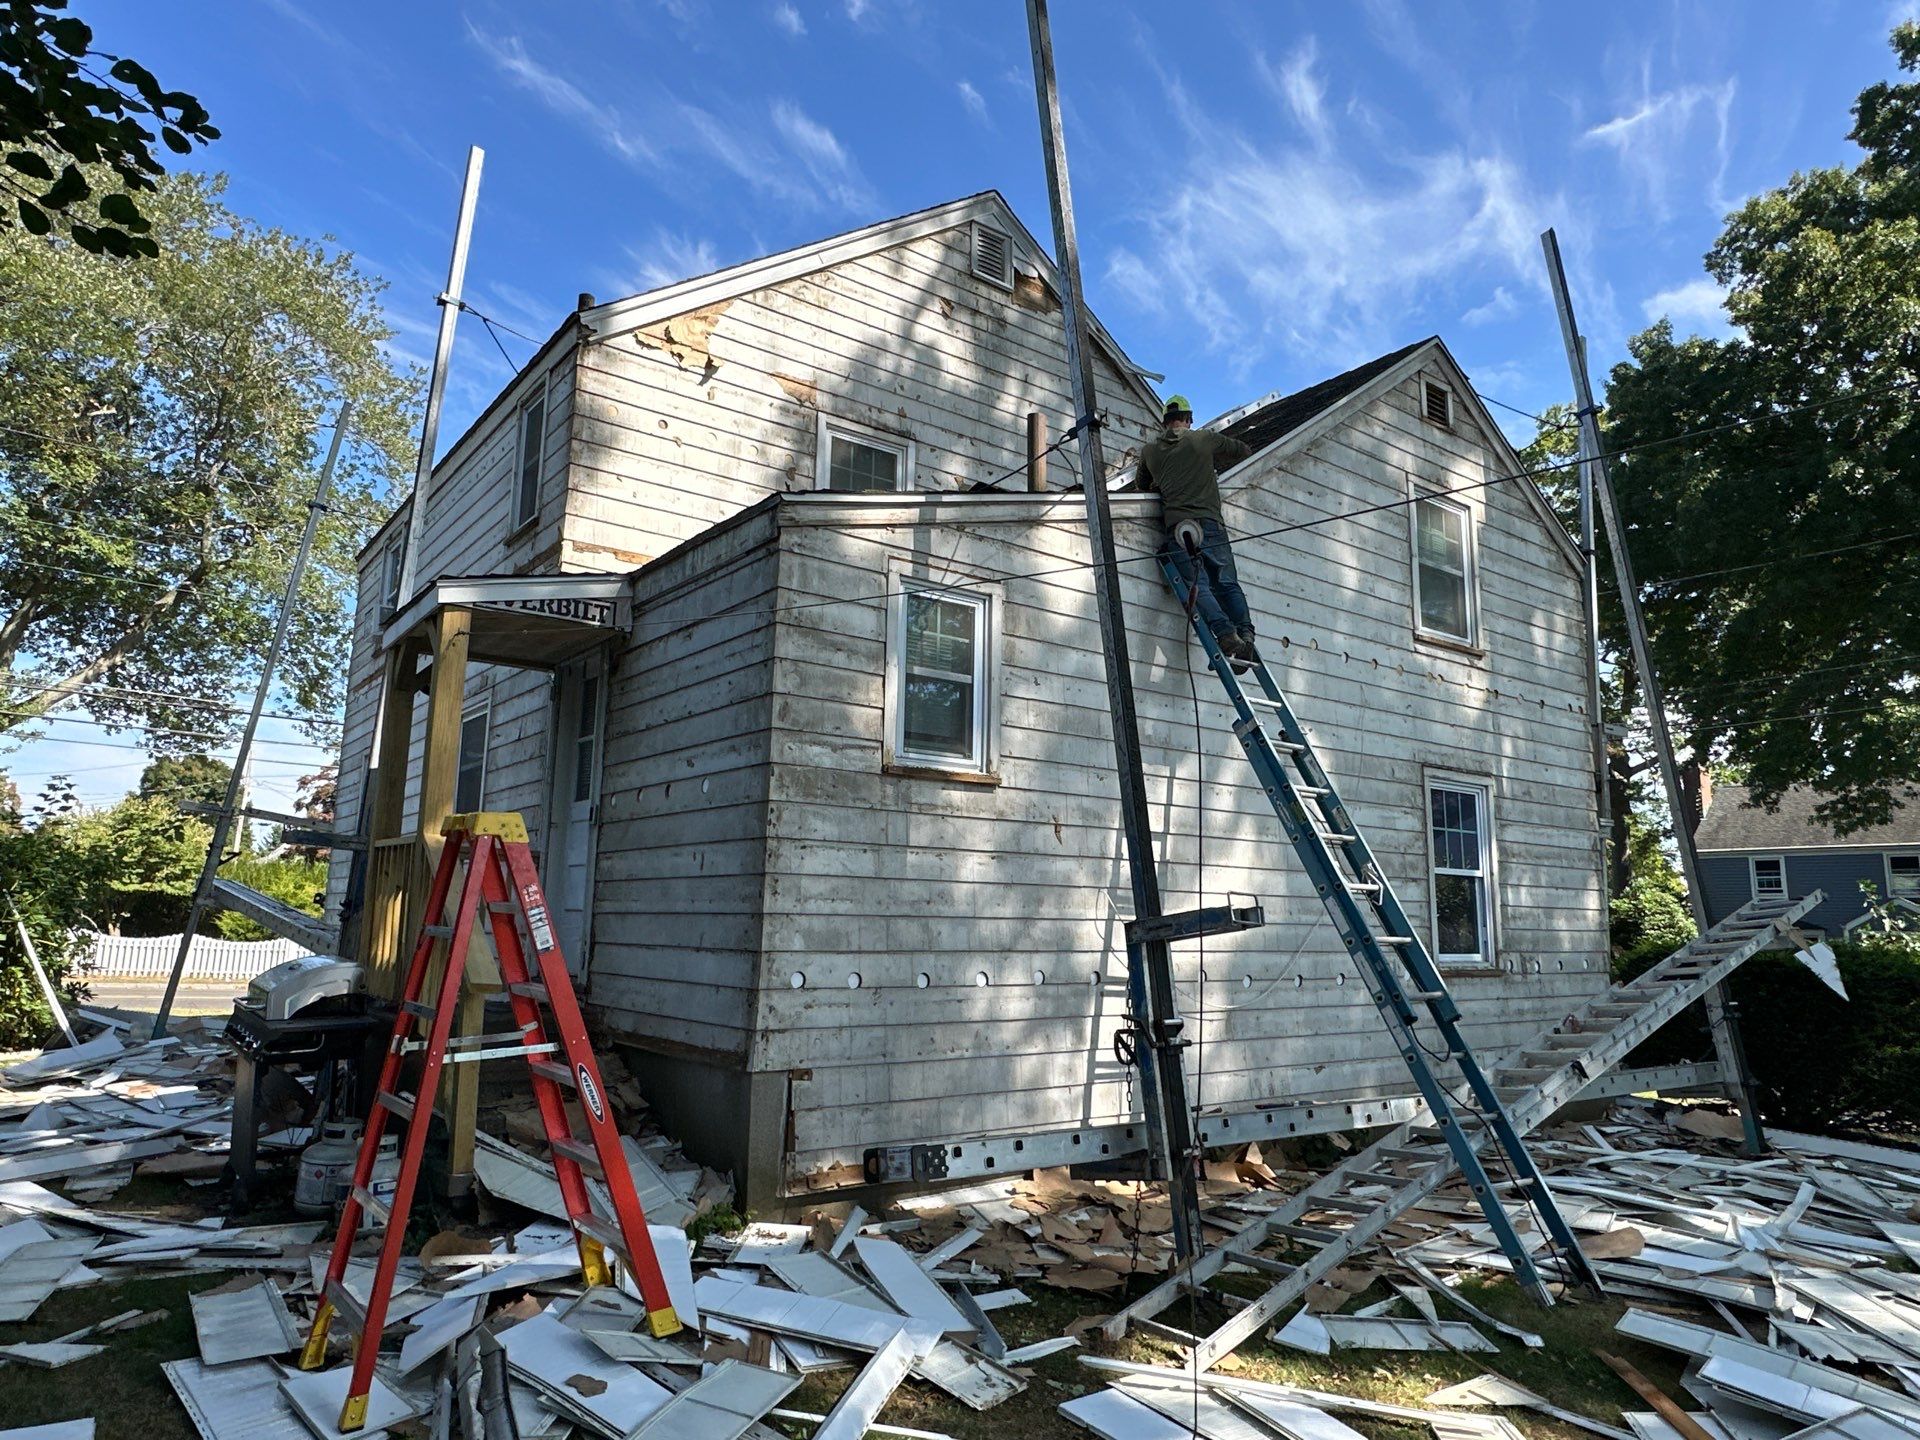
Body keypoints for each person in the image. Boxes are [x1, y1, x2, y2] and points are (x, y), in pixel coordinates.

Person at [1130, 395, 1257, 665]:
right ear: (1189, 419)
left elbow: (1142, 484)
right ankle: (1245, 635)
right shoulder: (1204, 439)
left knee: (1196, 585)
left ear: (1164, 423)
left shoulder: (1150, 451)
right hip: (1210, 523)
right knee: (1225, 581)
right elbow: (1242, 450)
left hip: (1179, 528)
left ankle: (1225, 634)